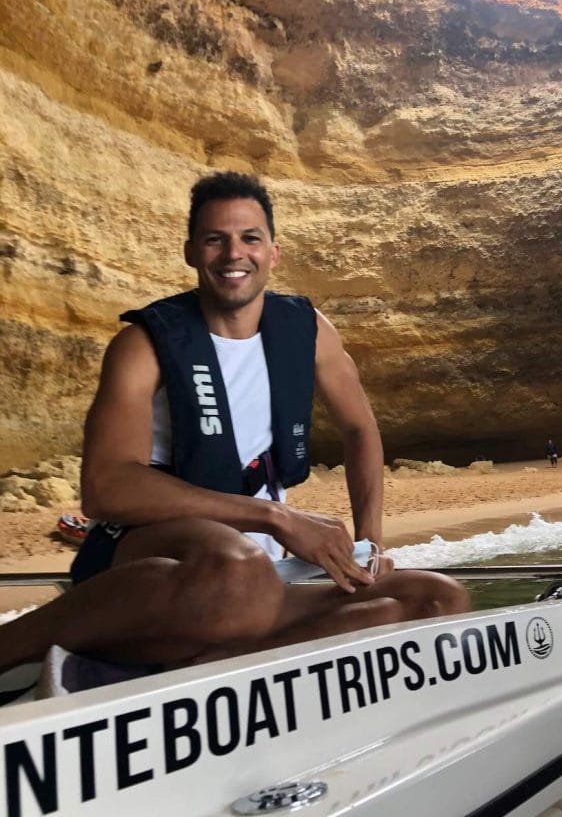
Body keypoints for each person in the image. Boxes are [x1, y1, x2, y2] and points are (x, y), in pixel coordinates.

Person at [0, 172, 468, 687]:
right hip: (163, 561)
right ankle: (12, 646)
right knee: (240, 576)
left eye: (250, 238)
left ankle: (203, 667)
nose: (233, 254)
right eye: (214, 239)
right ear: (190, 252)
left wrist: (370, 543)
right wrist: (277, 518)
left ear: (273, 252)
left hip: (255, 585)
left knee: (436, 599)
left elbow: (360, 429)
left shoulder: (309, 331)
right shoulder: (145, 344)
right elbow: (106, 488)